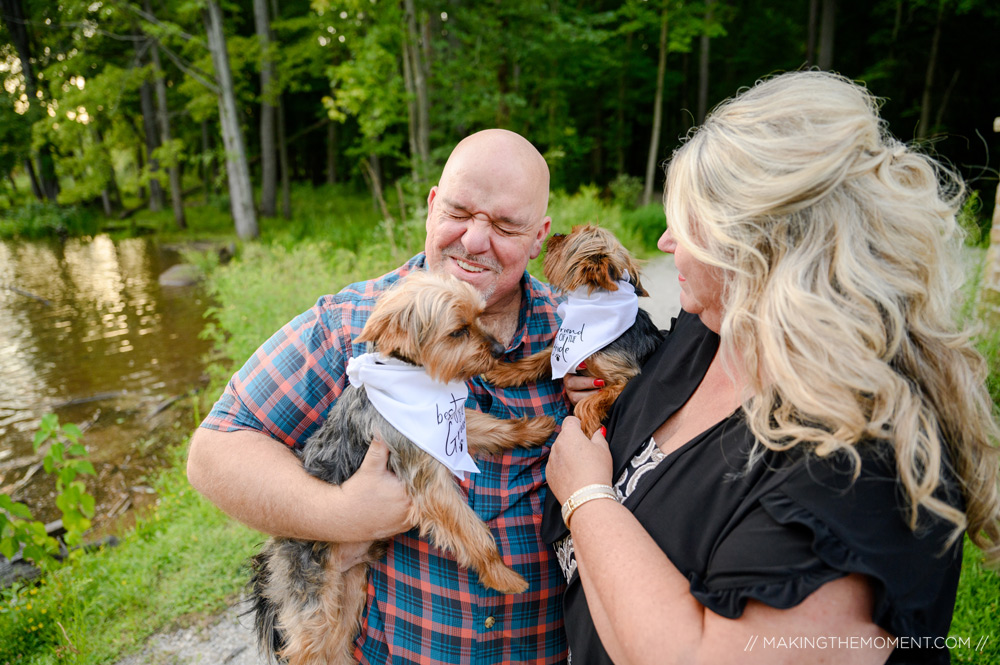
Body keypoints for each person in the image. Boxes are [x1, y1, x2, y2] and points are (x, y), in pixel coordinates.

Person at [547, 71, 1000, 665]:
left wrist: (586, 496)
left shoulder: (860, 464)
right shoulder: (705, 331)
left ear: (758, 247)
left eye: (686, 225)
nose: (663, 243)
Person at [187, 129, 572, 664]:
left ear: (539, 236)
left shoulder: (580, 335)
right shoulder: (351, 325)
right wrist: (342, 513)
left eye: (506, 225)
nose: (476, 240)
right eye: (459, 211)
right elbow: (214, 453)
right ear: (433, 206)